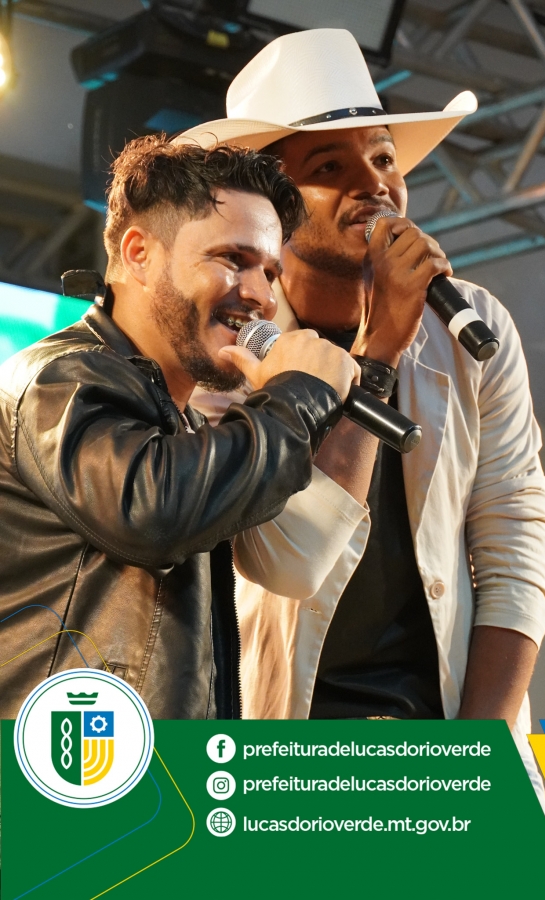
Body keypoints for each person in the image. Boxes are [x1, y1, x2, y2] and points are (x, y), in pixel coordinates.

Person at [182, 28, 545, 830]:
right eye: (330, 168)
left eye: (384, 158)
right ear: (272, 207)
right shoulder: (222, 357)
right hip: (288, 756)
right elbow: (289, 556)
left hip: (452, 735)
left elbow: (516, 548)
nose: (375, 184)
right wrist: (377, 349)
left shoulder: (472, 327)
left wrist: (479, 761)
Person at [0, 135, 360, 720]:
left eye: (270, 271)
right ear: (139, 253)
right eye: (233, 259)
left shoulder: (181, 422)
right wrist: (300, 395)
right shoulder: (58, 378)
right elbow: (153, 509)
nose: (261, 296)